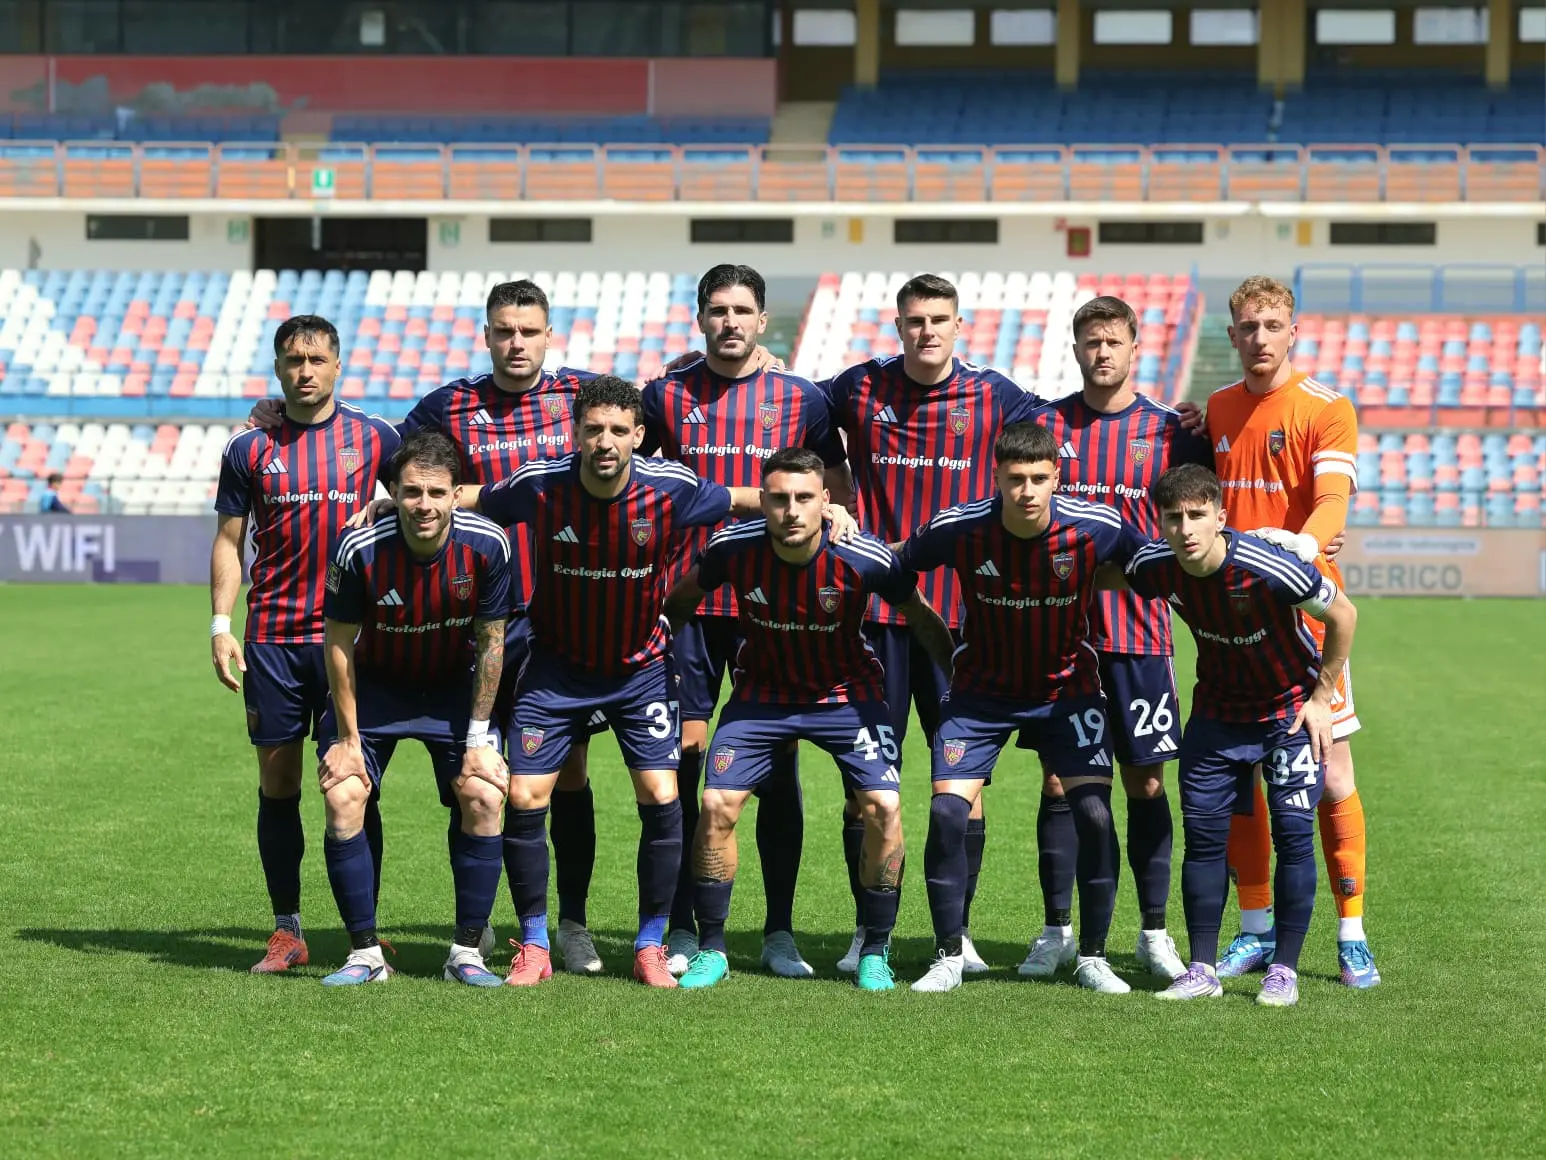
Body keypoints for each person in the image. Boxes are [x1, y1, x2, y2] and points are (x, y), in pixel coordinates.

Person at [250, 280, 608, 976]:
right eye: (503, 330)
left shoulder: (581, 395)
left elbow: (653, 418)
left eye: (529, 331)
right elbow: (384, 447)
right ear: (486, 334)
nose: (516, 343)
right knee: (479, 781)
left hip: (552, 619)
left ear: (549, 335)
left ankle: (565, 926)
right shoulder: (449, 404)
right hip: (454, 625)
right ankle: (462, 932)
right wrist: (281, 416)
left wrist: (762, 365)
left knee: (554, 776)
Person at [476, 376, 855, 988]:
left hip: (640, 670)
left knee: (661, 793)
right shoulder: (540, 483)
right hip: (557, 670)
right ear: (576, 432)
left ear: (638, 435)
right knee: (523, 798)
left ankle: (651, 943)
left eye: (617, 430)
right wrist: (399, 502)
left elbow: (742, 498)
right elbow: (473, 497)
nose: (605, 441)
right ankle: (536, 942)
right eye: (593, 429)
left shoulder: (670, 487)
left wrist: (826, 509)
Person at [818, 273, 1048, 974]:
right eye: (915, 320)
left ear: (958, 326)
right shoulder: (859, 387)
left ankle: (960, 932)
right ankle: (868, 929)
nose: (927, 331)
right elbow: (793, 408)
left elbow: (1072, 425)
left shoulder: (995, 394)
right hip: (872, 618)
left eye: (939, 319)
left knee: (962, 786)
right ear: (899, 326)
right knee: (865, 787)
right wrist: (833, 496)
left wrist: (1181, 424)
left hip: (962, 624)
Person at [660, 448, 954, 991]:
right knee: (717, 803)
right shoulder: (732, 549)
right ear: (762, 501)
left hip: (847, 696)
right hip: (762, 695)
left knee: (884, 807)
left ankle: (875, 950)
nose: (791, 510)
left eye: (803, 498)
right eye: (778, 499)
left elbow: (919, 616)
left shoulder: (863, 557)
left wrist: (956, 681)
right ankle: (712, 948)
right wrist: (652, 661)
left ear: (826, 501)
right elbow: (678, 603)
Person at [642, 263, 849, 979]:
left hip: (776, 609)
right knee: (686, 763)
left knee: (777, 764)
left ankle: (779, 932)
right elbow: (632, 474)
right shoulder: (665, 395)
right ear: (701, 318)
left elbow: (835, 483)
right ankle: (684, 926)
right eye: (717, 310)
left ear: (764, 320)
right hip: (692, 605)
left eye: (741, 311)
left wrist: (838, 516)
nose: (729, 321)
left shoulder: (803, 398)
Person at [901, 421, 1143, 995]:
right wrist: (940, 642)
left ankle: (1092, 957)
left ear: (1057, 477)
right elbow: (894, 571)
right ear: (997, 478)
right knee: (947, 814)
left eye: (1038, 478)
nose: (1027, 491)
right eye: (1015, 479)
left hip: (1067, 693)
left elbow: (1154, 565)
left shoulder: (1097, 526)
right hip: (979, 696)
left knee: (1094, 815)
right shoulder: (960, 528)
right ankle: (948, 954)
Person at [1019, 295, 1212, 982]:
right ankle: (1056, 931)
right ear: (1075, 349)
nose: (1102, 352)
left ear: (1135, 347)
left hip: (1140, 636)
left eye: (1113, 341)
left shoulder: (1171, 431)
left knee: (1146, 782)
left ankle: (1154, 932)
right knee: (1057, 782)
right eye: (1090, 341)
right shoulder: (1044, 425)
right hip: (1061, 639)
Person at [1119, 464, 1358, 1007]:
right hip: (1217, 718)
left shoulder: (1269, 567)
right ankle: (1201, 969)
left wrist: (1321, 699)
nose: (1186, 529)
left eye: (1197, 515)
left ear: (1221, 517)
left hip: (1287, 716)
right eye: (1174, 518)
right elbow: (1110, 574)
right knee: (1204, 841)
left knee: (1293, 837)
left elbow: (1343, 616)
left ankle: (1284, 971)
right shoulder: (1156, 565)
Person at [211, 314, 400, 974]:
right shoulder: (249, 448)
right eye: (294, 360)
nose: (306, 371)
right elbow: (230, 541)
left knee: (355, 782)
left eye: (317, 359)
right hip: (272, 639)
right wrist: (220, 625)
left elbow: (425, 492)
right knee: (279, 782)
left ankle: (364, 929)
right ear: (278, 368)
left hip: (353, 641)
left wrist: (387, 509)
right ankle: (286, 929)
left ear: (338, 365)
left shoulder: (376, 437)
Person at [1205, 275, 1379, 988]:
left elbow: (1332, 502)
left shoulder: (1327, 408)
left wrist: (1302, 549)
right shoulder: (1217, 409)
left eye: (1273, 325)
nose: (1260, 338)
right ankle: (1255, 928)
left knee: (1332, 774)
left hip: (1307, 617)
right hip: (1232, 622)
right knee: (1239, 773)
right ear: (1232, 335)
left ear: (1293, 333)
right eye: (1248, 326)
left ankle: (1352, 933)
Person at [314, 430, 513, 987]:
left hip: (451, 690)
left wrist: (478, 739)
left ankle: (466, 953)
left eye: (436, 492)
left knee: (483, 794)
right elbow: (338, 643)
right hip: (376, 689)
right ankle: (364, 955)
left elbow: (492, 642)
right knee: (344, 793)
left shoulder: (489, 545)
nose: (423, 504)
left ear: (456, 495)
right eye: (411, 492)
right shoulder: (358, 547)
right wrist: (348, 739)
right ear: (394, 494)